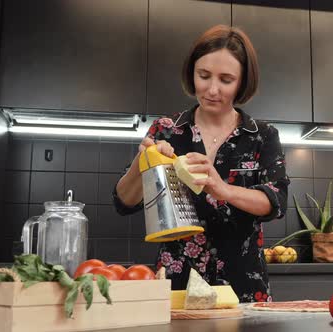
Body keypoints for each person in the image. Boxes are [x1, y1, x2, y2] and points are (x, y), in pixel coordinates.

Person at [113, 25, 289, 303]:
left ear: (242, 82)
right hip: (176, 284)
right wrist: (143, 160)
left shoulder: (262, 136)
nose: (212, 89)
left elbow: (276, 201)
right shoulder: (167, 130)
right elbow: (124, 201)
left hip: (242, 286)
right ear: (192, 72)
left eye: (226, 80)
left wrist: (223, 189)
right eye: (203, 76)